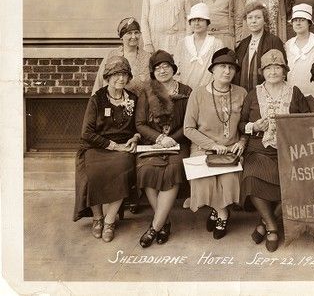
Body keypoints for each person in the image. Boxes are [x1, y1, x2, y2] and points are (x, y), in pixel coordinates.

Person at [239, 49, 309, 252]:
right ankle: (271, 226)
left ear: (284, 71)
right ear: (263, 71)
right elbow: (241, 124)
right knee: (251, 178)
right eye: (269, 68)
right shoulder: (253, 94)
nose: (273, 72)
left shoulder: (295, 92)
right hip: (258, 147)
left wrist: (293, 132)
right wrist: (254, 127)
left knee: (296, 183)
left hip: (288, 149)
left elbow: (306, 121)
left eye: (277, 67)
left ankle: (265, 223)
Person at [73, 56, 140, 242]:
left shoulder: (133, 99)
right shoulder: (97, 99)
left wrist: (135, 138)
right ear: (108, 77)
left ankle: (110, 220)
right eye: (116, 74)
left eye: (124, 74)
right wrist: (112, 145)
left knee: (123, 169)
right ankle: (98, 218)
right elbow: (86, 133)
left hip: (122, 150)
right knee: (92, 172)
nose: (120, 79)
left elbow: (138, 127)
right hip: (96, 146)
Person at [184, 48, 248, 240]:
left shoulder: (241, 93)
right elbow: (188, 129)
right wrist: (212, 144)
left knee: (228, 180)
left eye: (231, 67)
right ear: (212, 70)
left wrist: (243, 141)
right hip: (204, 148)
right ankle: (222, 213)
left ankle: (217, 211)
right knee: (206, 180)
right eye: (222, 67)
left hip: (231, 149)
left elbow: (245, 125)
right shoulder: (198, 94)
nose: (227, 71)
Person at [134, 50, 192, 248]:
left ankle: (155, 227)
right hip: (153, 141)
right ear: (153, 72)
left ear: (173, 68)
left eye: (166, 66)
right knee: (146, 169)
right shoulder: (147, 92)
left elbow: (190, 123)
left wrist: (170, 139)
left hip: (178, 142)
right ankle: (164, 222)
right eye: (157, 68)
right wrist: (159, 137)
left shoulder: (186, 91)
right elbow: (140, 124)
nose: (162, 70)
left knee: (173, 169)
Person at [233, 2, 286, 92]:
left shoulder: (273, 41)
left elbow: (282, 69)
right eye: (250, 18)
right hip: (244, 93)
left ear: (264, 20)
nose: (253, 21)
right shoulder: (243, 44)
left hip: (267, 92)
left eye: (258, 17)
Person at [92, 17, 151, 96]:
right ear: (121, 36)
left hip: (141, 105)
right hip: (113, 104)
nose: (134, 36)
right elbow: (98, 84)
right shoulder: (112, 55)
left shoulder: (147, 57)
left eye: (136, 32)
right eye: (129, 33)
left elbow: (155, 87)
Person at [173, 3, 225, 89]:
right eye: (193, 20)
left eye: (200, 20)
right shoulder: (182, 43)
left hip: (208, 91)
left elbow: (219, 71)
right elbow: (175, 69)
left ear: (207, 22)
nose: (196, 23)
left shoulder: (217, 43)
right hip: (186, 91)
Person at [285, 4, 314, 95]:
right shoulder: (288, 44)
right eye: (295, 20)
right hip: (292, 95)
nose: (298, 23)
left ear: (309, 23)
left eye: (302, 20)